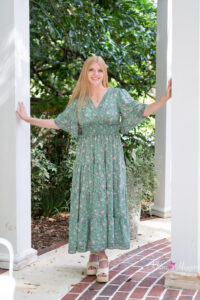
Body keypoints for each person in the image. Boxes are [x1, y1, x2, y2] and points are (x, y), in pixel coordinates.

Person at [16, 55, 172, 283]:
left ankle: (102, 257)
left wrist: (165, 98)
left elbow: (143, 111)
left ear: (104, 73)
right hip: (88, 159)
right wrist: (28, 119)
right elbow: (58, 123)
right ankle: (95, 252)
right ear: (85, 73)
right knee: (91, 201)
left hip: (111, 159)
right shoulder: (79, 101)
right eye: (91, 70)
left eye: (99, 70)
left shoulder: (117, 95)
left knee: (106, 202)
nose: (96, 74)